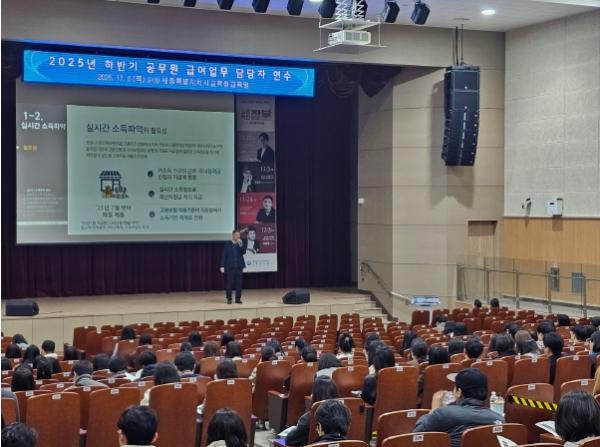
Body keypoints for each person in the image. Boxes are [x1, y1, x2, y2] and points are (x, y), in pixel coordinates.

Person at [413, 368, 504, 447]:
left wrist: (434, 410)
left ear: (459, 392)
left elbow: (416, 436)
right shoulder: (499, 420)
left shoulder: (443, 414)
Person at [286, 376, 339, 447]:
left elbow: (290, 440)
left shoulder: (308, 418)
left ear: (314, 395)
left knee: (279, 439)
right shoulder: (345, 415)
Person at [220, 230, 246, 304]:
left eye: (239, 235)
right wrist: (222, 265)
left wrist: (241, 245)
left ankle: (238, 299)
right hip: (230, 267)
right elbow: (224, 255)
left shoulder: (240, 243)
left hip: (239, 267)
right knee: (230, 284)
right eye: (237, 235)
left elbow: (243, 252)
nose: (238, 236)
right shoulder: (228, 244)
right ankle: (229, 298)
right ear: (233, 235)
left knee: (239, 284)